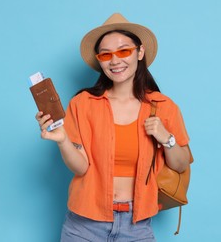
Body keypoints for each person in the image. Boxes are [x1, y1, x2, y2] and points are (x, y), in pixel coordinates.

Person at [35, 13, 192, 241]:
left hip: (137, 226)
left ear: (139, 52)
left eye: (123, 51)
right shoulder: (83, 103)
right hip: (84, 224)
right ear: (100, 60)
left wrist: (165, 137)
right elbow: (80, 168)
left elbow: (180, 164)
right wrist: (63, 140)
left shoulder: (163, 106)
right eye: (106, 54)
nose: (115, 60)